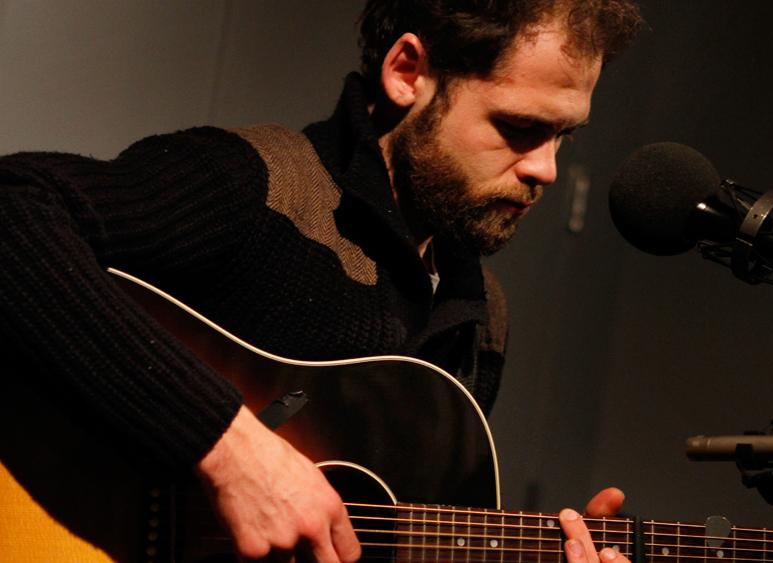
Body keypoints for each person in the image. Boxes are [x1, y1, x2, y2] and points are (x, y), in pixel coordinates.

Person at [0, 1, 642, 561]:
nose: (546, 170)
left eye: (564, 136)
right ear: (407, 72)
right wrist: (226, 447)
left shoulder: (479, 316)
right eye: (521, 128)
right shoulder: (260, 187)